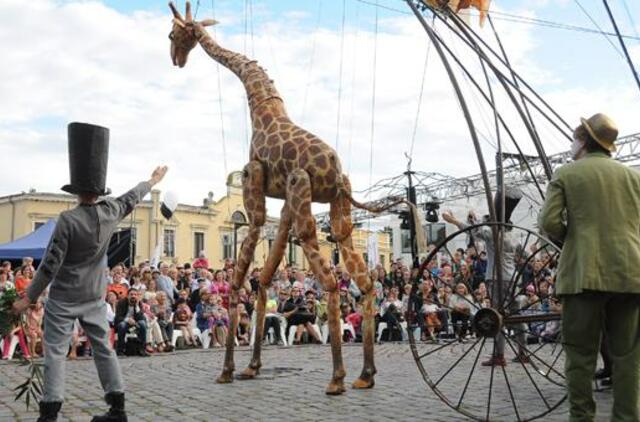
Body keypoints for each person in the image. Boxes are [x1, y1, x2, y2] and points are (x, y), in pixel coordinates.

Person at [12, 122, 167, 422]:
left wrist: (27, 298)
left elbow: (50, 266)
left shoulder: (67, 220)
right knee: (103, 349)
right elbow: (132, 196)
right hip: (95, 295)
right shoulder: (110, 210)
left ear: (76, 189)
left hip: (64, 298)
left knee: (55, 352)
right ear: (99, 190)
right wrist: (152, 180)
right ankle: (117, 408)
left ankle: (50, 413)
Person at [538, 113, 640, 421]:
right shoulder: (634, 177)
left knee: (581, 357)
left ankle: (582, 418)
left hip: (584, 273)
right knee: (628, 358)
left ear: (583, 141)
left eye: (574, 139)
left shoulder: (567, 173)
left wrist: (573, 241)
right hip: (630, 274)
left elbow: (549, 222)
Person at [114, 288, 148, 357]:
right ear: (127, 296)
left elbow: (142, 318)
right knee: (122, 325)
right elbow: (117, 317)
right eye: (131, 294)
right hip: (124, 323)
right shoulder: (121, 303)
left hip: (134, 325)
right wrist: (127, 319)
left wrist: (137, 306)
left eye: (135, 295)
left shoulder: (139, 303)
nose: (133, 296)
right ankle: (120, 350)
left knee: (143, 324)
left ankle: (142, 349)